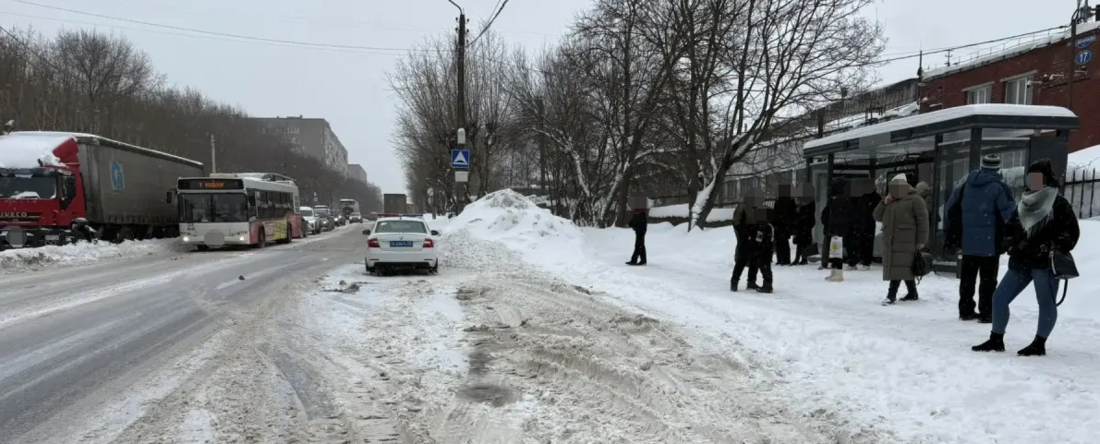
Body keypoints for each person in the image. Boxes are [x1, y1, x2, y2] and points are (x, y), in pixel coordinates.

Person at [972, 159, 1079, 356]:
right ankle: (996, 339)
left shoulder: (1058, 203)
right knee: (999, 297)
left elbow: (1071, 233)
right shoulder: (1024, 202)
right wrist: (1010, 243)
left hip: (1044, 262)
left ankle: (1039, 343)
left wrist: (1051, 245)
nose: (1033, 182)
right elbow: (1010, 228)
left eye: (1037, 178)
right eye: (1030, 178)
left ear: (1046, 179)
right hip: (1021, 261)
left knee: (1045, 302)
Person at [944, 154, 1016, 323]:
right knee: (988, 280)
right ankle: (986, 312)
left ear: (982, 166)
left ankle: (966, 309)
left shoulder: (966, 184)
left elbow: (950, 207)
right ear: (997, 168)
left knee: (967, 279)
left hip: (968, 242)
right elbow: (1009, 214)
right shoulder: (999, 188)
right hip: (990, 244)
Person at [873, 174, 930, 305]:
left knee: (899, 266)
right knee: (904, 266)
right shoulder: (891, 200)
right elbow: (876, 216)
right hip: (891, 240)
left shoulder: (915, 199)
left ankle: (891, 295)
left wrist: (921, 240)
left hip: (907, 240)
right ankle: (912, 292)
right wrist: (884, 203)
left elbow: (923, 221)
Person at [820, 177, 858, 282]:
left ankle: (837, 274)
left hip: (837, 229)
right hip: (838, 229)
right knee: (835, 252)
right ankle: (834, 272)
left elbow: (838, 216)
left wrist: (833, 226)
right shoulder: (842, 199)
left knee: (836, 252)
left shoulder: (840, 199)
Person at [731, 189, 764, 291]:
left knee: (755, 260)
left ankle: (751, 282)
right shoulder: (742, 207)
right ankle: (734, 281)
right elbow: (736, 222)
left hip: (756, 235)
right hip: (745, 237)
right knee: (742, 260)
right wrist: (745, 234)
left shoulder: (759, 207)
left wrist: (759, 235)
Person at [851, 178, 880, 270]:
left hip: (867, 222)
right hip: (864, 222)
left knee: (866, 243)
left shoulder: (871, 197)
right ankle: (863, 260)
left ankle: (865, 261)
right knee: (863, 242)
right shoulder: (867, 197)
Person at [772, 184, 797, 265]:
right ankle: (784, 259)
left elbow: (775, 213)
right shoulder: (790, 201)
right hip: (784, 225)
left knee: (780, 243)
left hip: (780, 225)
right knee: (783, 243)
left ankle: (781, 259)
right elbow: (792, 214)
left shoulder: (779, 201)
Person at [791, 185, 816, 266]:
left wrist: (802, 218)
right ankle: (800, 258)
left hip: (806, 224)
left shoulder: (809, 202)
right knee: (800, 242)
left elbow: (810, 214)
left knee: (804, 242)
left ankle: (802, 258)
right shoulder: (800, 202)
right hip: (800, 224)